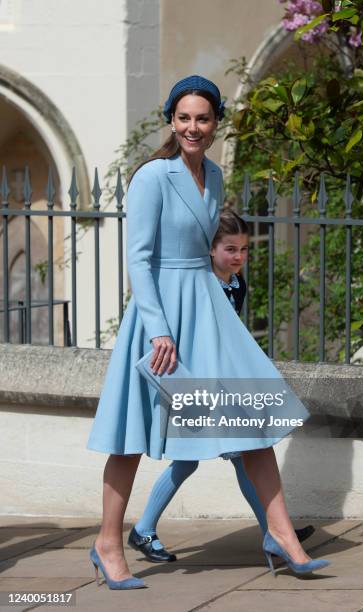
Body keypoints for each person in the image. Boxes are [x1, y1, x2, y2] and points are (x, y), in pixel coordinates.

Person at [87, 75, 330, 590]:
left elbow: (206, 250)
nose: (192, 127)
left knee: (253, 416)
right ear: (171, 121)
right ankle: (108, 543)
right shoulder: (153, 176)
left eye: (202, 118)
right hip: (162, 318)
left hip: (207, 310)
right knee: (132, 437)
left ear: (216, 122)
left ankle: (283, 536)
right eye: (184, 118)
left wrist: (225, 289)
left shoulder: (215, 175)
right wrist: (158, 330)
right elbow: (140, 258)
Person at [128, 210, 315, 563]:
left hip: (221, 384)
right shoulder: (196, 284)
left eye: (244, 249)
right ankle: (144, 530)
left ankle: (275, 532)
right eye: (230, 249)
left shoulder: (237, 284)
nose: (239, 257)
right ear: (210, 250)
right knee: (195, 461)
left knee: (241, 457)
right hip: (193, 384)